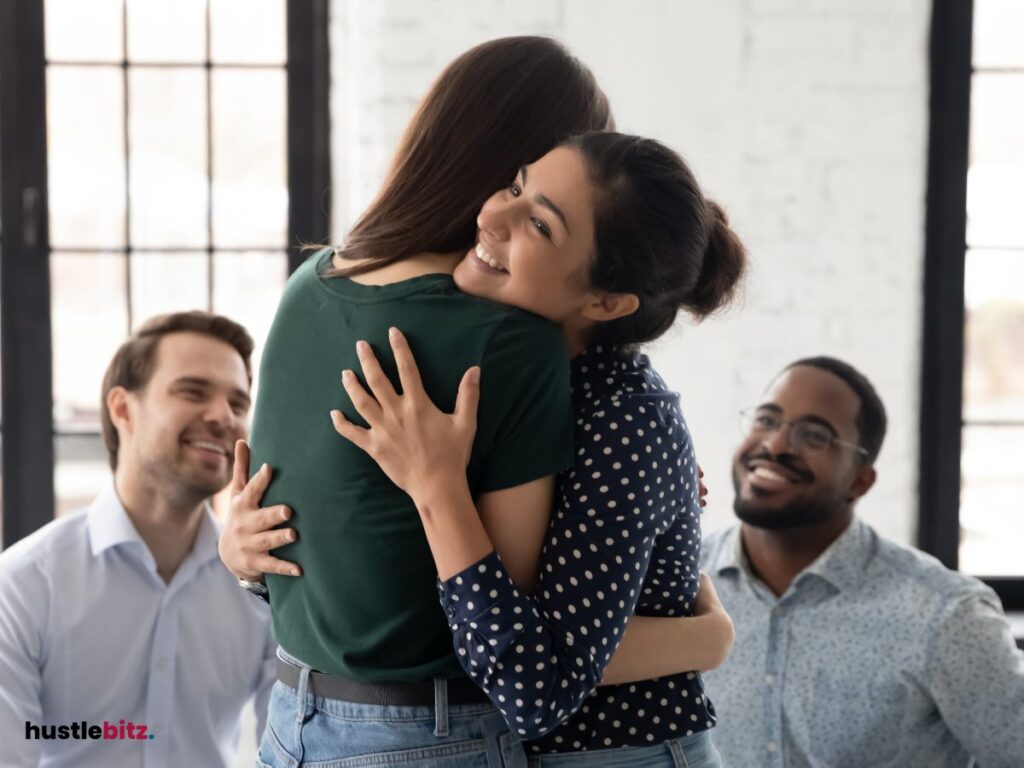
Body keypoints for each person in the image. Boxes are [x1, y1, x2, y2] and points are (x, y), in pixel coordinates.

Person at [227, 130, 744, 767]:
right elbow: (414, 585)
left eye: (541, 226)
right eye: (516, 186)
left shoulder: (626, 418)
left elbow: (536, 688)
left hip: (624, 752)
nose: (491, 214)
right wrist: (252, 558)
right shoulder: (512, 380)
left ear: (605, 301)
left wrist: (438, 487)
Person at [700, 356, 1024, 767]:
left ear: (860, 480)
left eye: (814, 436)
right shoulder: (680, 584)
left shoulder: (947, 617)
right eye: (767, 420)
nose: (777, 445)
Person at [0, 311, 276, 768]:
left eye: (239, 403)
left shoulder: (263, 592)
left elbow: (288, 745)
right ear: (123, 409)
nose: (224, 418)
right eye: (193, 391)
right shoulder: (24, 585)